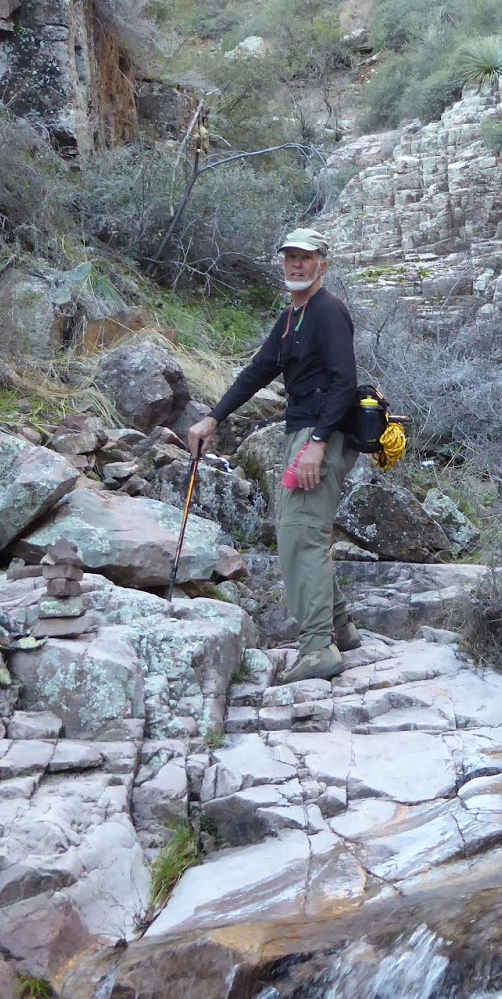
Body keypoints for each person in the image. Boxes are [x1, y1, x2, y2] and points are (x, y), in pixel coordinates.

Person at [185, 227, 360, 683]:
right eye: (289, 257)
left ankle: (319, 648)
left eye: (305, 257)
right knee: (303, 532)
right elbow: (259, 370)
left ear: (323, 264)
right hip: (301, 433)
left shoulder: (328, 312)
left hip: (321, 435)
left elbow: (344, 381)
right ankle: (341, 628)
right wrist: (213, 419)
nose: (295, 265)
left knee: (299, 535)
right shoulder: (291, 317)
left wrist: (318, 443)